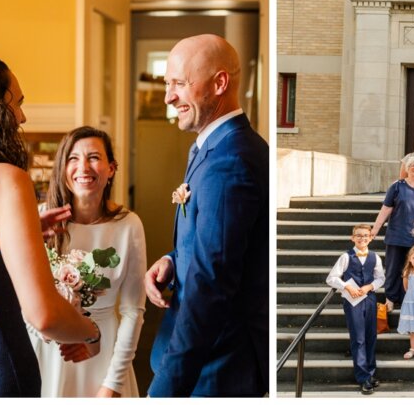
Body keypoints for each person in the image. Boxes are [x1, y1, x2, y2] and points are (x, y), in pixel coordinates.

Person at [0, 46, 101, 397]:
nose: (22, 117)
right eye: (17, 103)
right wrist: (91, 333)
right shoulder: (4, 179)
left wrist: (22, 234)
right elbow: (45, 316)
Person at [145, 34, 268, 396]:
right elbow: (219, 243)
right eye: (168, 84)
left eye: (180, 84)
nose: (169, 97)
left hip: (215, 370)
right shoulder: (210, 147)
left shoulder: (231, 159)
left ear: (219, 83)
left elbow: (211, 282)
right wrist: (173, 259)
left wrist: (165, 389)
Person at [34, 127, 147, 397]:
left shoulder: (129, 225)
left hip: (104, 353)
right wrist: (44, 331)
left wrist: (113, 383)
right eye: (73, 159)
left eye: (94, 157)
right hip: (47, 351)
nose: (83, 167)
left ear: (111, 168)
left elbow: (134, 310)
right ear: (62, 169)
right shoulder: (40, 219)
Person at [370, 156, 414, 310]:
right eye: (412, 165)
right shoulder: (397, 186)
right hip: (397, 234)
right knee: (393, 267)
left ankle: (410, 298)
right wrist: (375, 228)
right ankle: (391, 298)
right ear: (407, 168)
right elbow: (386, 208)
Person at [325, 225, 383, 395]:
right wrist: (346, 287)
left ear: (371, 238)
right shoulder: (346, 256)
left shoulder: (375, 257)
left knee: (370, 336)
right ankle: (362, 377)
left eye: (365, 236)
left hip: (370, 299)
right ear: (352, 238)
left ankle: (370, 373)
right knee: (358, 339)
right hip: (352, 301)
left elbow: (381, 278)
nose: (362, 238)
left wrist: (370, 287)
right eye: (358, 236)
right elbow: (331, 278)